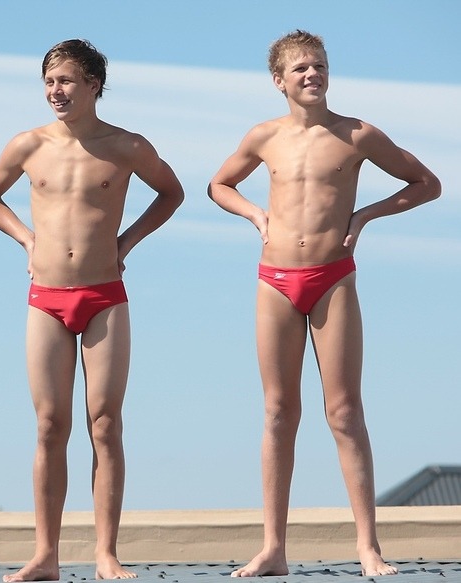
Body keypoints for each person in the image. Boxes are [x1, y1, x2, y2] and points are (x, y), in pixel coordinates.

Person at [208, 30, 440, 578]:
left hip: (332, 277)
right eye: (300, 70)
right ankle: (273, 549)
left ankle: (368, 547)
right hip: (274, 280)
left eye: (319, 66)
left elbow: (425, 183)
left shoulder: (358, 134)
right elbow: (219, 185)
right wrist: (255, 215)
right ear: (279, 81)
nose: (312, 75)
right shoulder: (264, 136)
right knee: (278, 412)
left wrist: (364, 216)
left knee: (344, 412)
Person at [0, 39, 184, 581]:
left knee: (105, 423)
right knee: (50, 424)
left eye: (66, 80)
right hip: (46, 296)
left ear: (94, 84)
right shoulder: (28, 145)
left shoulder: (127, 146)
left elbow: (171, 193)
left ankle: (105, 554)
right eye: (49, 82)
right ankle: (45, 555)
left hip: (103, 296)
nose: (55, 91)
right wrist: (26, 240)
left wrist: (126, 242)